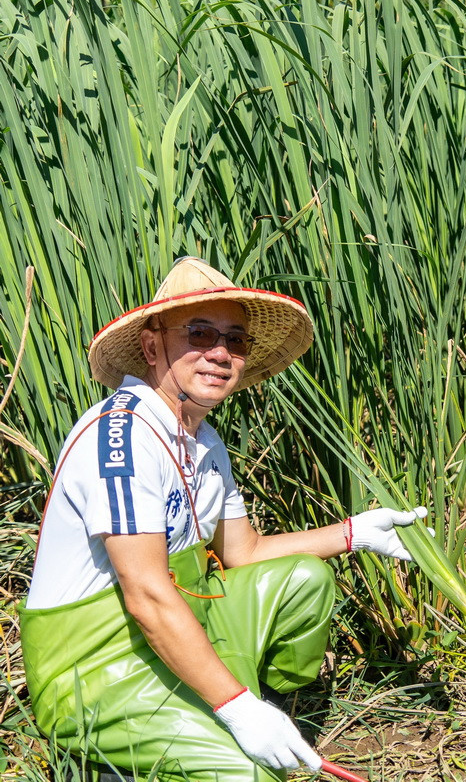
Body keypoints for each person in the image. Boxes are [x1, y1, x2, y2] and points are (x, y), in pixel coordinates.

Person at [19, 258, 427, 781]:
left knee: (304, 581)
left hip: (183, 625)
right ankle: (132, 748)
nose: (220, 352)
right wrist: (237, 709)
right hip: (99, 668)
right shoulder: (121, 437)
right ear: (151, 346)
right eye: (200, 332)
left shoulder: (202, 440)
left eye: (235, 340)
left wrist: (355, 533)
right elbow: (145, 593)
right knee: (247, 774)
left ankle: (252, 705)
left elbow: (244, 554)